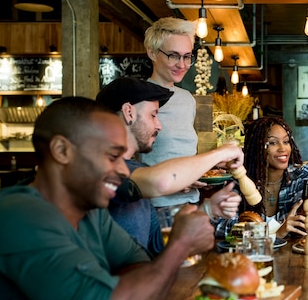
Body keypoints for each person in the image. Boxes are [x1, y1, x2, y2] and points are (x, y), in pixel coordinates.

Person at [0, 97, 216, 300]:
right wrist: (181, 245)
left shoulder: (92, 212)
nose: (121, 171)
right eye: (112, 156)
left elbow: (141, 267)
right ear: (62, 150)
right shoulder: (19, 215)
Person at [95, 77, 243, 255]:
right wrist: (221, 152)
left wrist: (209, 210)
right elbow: (160, 182)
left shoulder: (134, 169)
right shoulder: (105, 168)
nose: (159, 126)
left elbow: (157, 245)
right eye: (153, 115)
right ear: (129, 112)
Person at [216, 116, 308, 238]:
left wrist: (256, 231)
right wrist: (276, 234)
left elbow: (301, 229)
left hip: (289, 253)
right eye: (273, 143)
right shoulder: (238, 181)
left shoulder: (302, 176)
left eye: (286, 141)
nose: (283, 148)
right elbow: (221, 228)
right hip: (249, 254)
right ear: (257, 147)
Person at [140, 17, 202, 209]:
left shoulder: (187, 99)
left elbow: (185, 153)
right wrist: (175, 181)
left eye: (187, 56)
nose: (182, 64)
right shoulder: (138, 98)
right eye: (173, 55)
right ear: (152, 52)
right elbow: (127, 162)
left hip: (191, 203)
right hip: (156, 207)